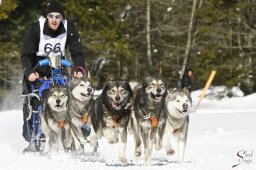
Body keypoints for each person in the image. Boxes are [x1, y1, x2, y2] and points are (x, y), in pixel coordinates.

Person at [20, 0, 87, 152]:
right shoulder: (36, 28)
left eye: (58, 16)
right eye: (51, 16)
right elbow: (26, 54)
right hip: (37, 68)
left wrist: (79, 68)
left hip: (59, 67)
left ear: (62, 18)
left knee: (70, 96)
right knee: (35, 99)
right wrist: (29, 72)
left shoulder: (68, 28)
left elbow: (77, 53)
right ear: (47, 16)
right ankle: (32, 134)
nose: (55, 20)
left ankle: (76, 131)